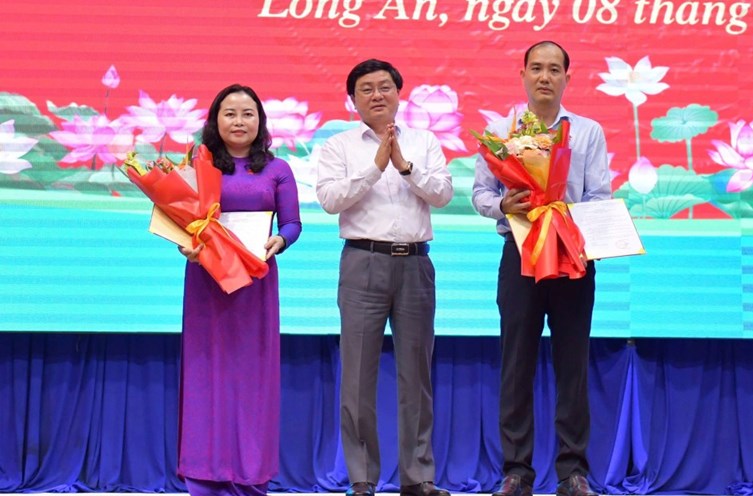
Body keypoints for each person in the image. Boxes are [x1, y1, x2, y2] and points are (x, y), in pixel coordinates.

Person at [472, 41, 611, 496]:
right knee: (516, 364)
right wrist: (502, 205)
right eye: (536, 68)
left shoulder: (587, 131)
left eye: (555, 69)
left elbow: (598, 197)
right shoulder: (500, 131)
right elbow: (480, 195)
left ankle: (573, 472)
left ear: (568, 78)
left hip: (573, 254)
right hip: (520, 254)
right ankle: (517, 471)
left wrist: (564, 215)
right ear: (523, 74)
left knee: (572, 363)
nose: (545, 77)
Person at [315, 59, 453, 496]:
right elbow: (330, 200)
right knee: (357, 376)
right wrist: (376, 166)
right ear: (352, 99)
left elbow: (445, 194)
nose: (378, 95)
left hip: (415, 264)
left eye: (386, 87)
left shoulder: (425, 141)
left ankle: (419, 477)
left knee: (417, 375)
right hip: (362, 262)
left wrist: (405, 167)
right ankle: (362, 478)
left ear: (399, 92)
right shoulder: (338, 145)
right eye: (367, 89)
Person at [176, 83, 302, 496]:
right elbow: (182, 219)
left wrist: (279, 241)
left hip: (255, 281)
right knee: (205, 372)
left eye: (248, 114)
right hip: (207, 282)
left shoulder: (278, 169)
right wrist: (187, 245)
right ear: (215, 121)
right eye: (230, 113)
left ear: (260, 122)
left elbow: (292, 224)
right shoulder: (200, 167)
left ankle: (250, 474)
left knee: (253, 378)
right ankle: (203, 475)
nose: (239, 121)